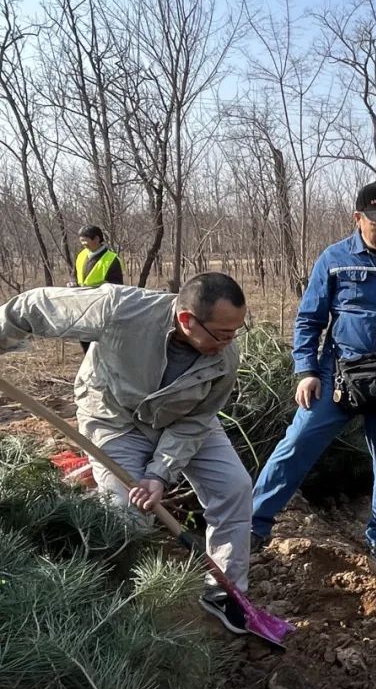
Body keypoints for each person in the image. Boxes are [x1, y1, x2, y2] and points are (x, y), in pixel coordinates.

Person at [0, 273, 255, 635]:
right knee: (128, 515)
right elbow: (34, 306)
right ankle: (118, 607)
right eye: (221, 334)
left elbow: (196, 423)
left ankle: (225, 594)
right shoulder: (121, 309)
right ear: (187, 320)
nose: (229, 343)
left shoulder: (224, 359)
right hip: (115, 419)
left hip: (183, 419)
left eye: (235, 332)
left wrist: (158, 473)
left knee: (234, 487)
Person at [250, 181, 376, 565]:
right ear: (358, 219)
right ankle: (253, 523)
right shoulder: (335, 260)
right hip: (339, 375)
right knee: (295, 445)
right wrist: (306, 370)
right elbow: (308, 320)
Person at [69, 224, 125, 354]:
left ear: (97, 239)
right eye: (81, 240)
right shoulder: (82, 255)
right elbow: (74, 273)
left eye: (85, 240)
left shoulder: (111, 259)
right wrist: (72, 282)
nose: (83, 243)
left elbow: (117, 286)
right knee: (84, 338)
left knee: (101, 342)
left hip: (101, 307)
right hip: (82, 304)